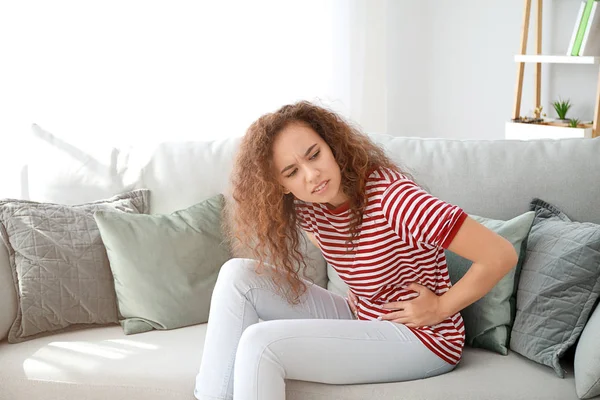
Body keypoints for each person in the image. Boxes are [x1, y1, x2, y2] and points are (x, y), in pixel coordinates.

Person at [194, 101, 518, 400]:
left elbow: (500, 254)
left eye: (314, 154)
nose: (312, 175)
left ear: (331, 146)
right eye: (292, 172)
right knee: (237, 275)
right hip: (363, 318)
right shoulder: (310, 207)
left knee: (260, 343)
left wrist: (441, 307)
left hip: (424, 338)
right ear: (280, 185)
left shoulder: (396, 201)